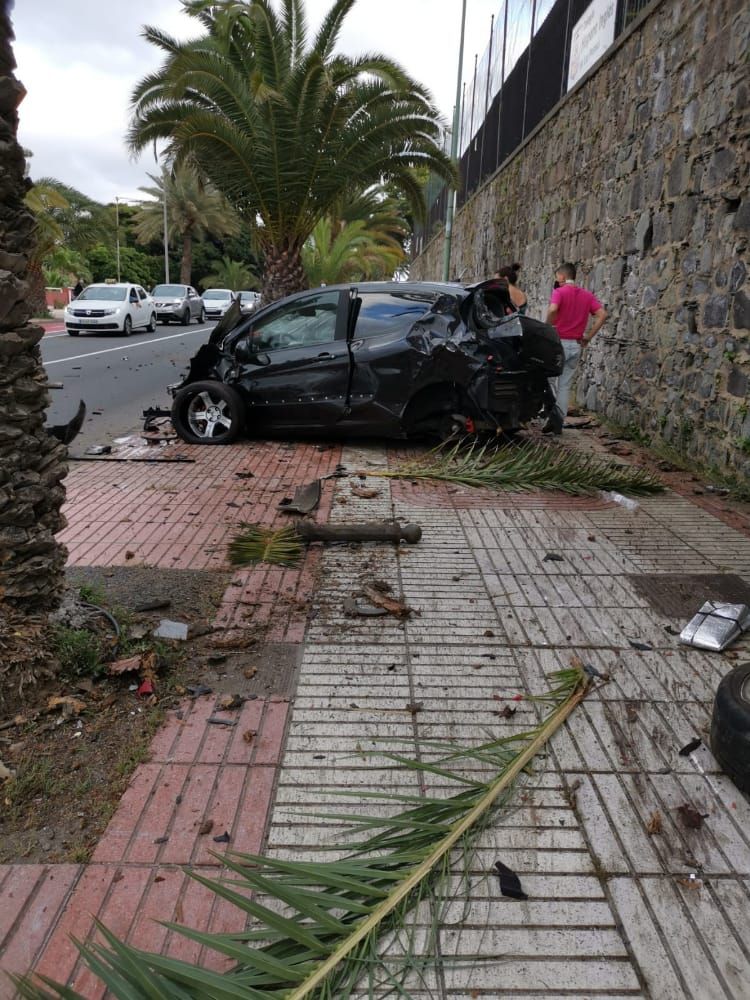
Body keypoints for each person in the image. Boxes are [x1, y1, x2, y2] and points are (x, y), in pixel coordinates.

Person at [543, 262, 607, 434]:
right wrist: (588, 336)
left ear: (562, 277)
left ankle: (552, 417)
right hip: (576, 345)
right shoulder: (587, 295)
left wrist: (547, 327)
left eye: (557, 277)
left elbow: (553, 309)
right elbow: (602, 314)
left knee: (548, 381)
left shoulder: (559, 292)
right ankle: (558, 422)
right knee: (564, 385)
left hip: (558, 343)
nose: (557, 280)